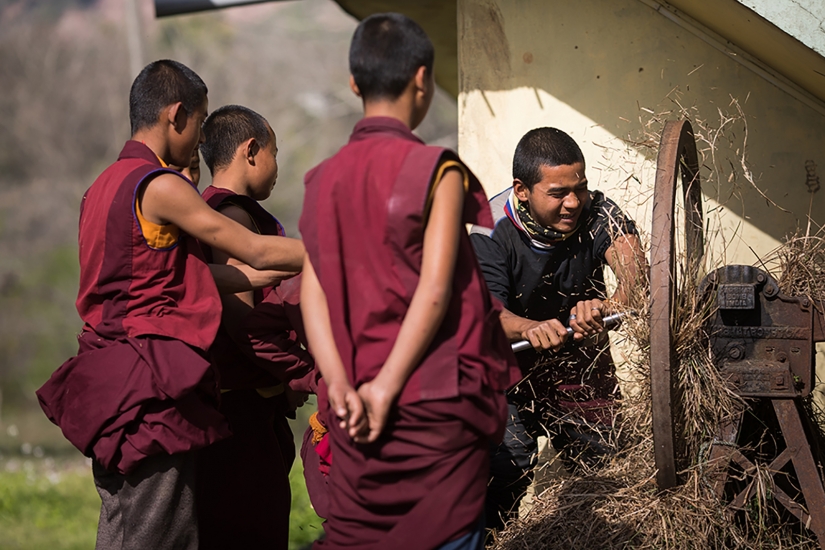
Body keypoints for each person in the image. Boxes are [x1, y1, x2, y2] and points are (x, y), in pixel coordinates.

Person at [35, 60, 305, 550]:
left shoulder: (101, 187)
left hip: (108, 382)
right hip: (151, 385)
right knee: (161, 535)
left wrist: (264, 275)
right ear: (177, 116)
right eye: (199, 123)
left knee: (124, 528)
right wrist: (342, 252)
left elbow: (179, 276)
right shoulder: (158, 185)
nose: (199, 138)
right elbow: (256, 248)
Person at [298, 13, 520, 550]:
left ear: (356, 84)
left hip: (355, 406)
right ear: (422, 79)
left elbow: (314, 292)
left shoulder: (322, 179)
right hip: (429, 402)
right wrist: (387, 387)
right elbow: (436, 290)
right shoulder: (436, 171)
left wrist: (346, 385)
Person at [469, 127, 645, 529]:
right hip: (508, 376)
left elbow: (641, 283)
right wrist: (531, 328)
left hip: (581, 370)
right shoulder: (489, 230)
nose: (573, 203)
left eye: (580, 188)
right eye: (558, 193)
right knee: (504, 474)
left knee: (610, 475)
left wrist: (606, 307)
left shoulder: (601, 214)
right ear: (523, 189)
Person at [195, 104, 316, 550]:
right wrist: (298, 372)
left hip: (244, 406)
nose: (277, 167)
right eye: (275, 152)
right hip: (239, 411)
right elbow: (241, 321)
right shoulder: (230, 216)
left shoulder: (211, 210)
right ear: (251, 151)